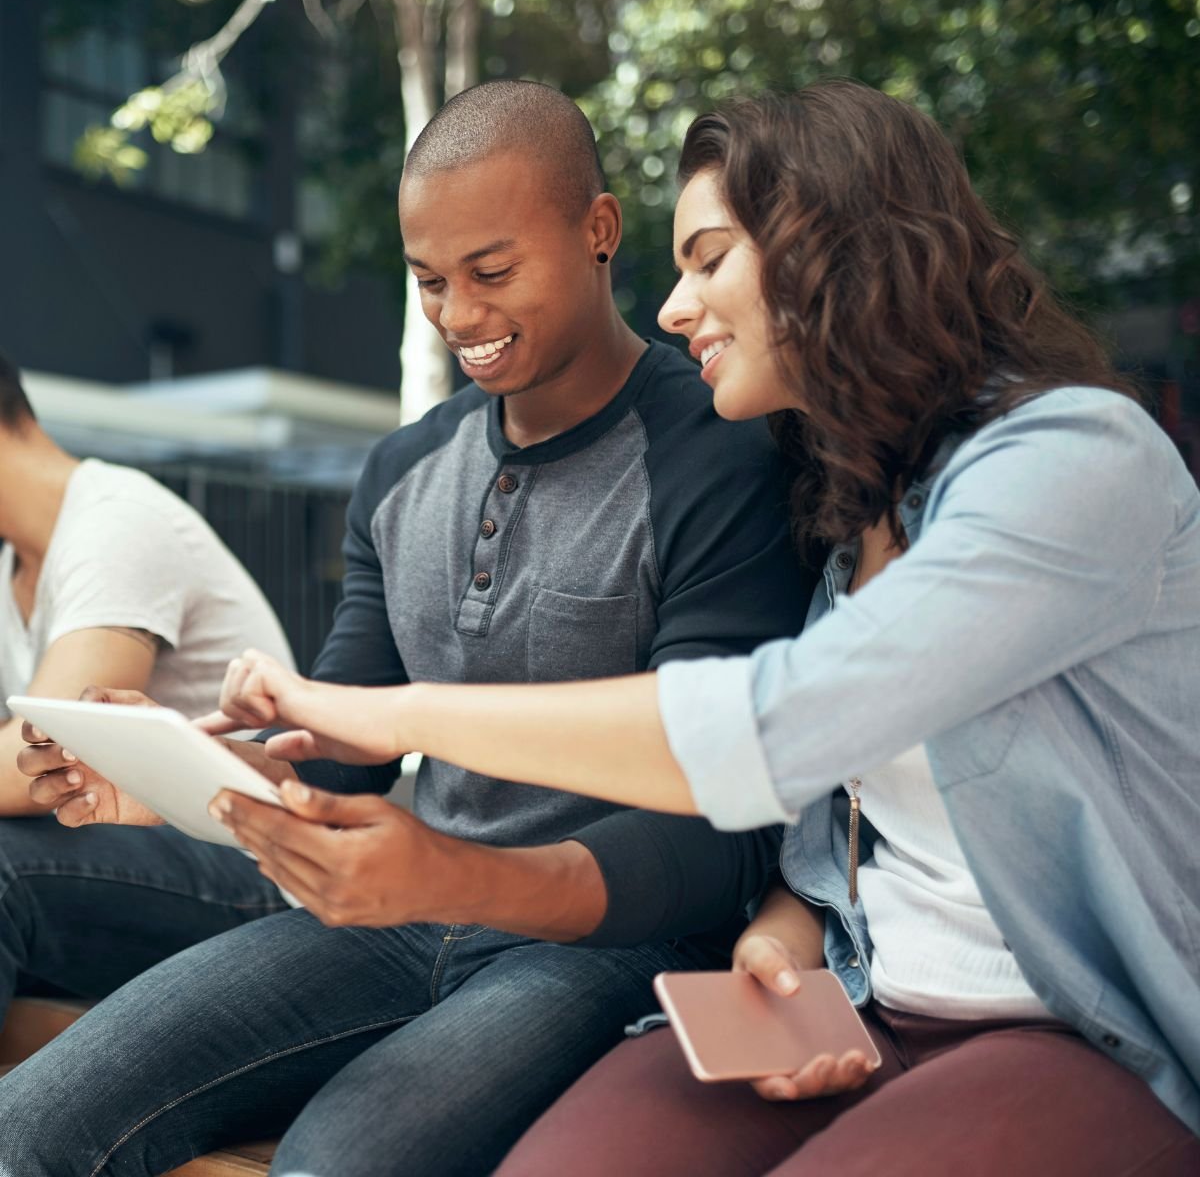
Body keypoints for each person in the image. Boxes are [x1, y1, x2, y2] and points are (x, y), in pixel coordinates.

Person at [183, 80, 1199, 1175]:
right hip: (853, 1008)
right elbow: (850, 837)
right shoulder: (857, 508)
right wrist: (782, 941)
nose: (672, 307)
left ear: (835, 250)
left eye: (708, 260)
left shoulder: (1077, 460)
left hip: (1073, 1030)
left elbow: (774, 726)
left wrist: (397, 716)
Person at [0, 81, 811, 1177]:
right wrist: (172, 767)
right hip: (394, 912)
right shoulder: (402, 472)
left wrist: (456, 874)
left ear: (599, 231)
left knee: (335, 1165)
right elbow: (340, 752)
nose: (460, 316)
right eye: (431, 282)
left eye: (492, 272)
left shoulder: (719, 454)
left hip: (602, 946)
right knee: (35, 1127)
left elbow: (722, 819)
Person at [0, 349, 296, 1021]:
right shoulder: (14, 567)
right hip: (131, 855)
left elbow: (47, 754)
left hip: (251, 863)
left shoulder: (116, 520)